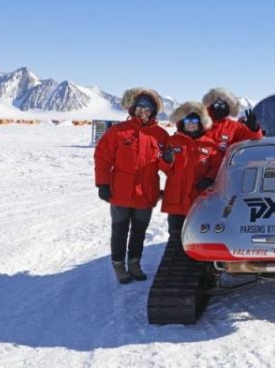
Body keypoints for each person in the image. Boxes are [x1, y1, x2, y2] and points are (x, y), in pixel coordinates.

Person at [94, 88, 168, 284]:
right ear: (133, 109)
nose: (144, 110)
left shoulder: (161, 135)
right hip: (120, 191)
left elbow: (168, 166)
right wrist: (102, 183)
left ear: (154, 111)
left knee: (139, 231)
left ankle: (134, 264)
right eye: (140, 106)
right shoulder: (118, 132)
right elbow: (102, 157)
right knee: (119, 230)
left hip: (146, 192)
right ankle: (119, 266)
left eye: (149, 107)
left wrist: (169, 161)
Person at [159, 101, 222, 243]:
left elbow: (217, 166)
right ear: (182, 121)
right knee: (175, 235)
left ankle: (197, 262)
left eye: (194, 120)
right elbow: (165, 168)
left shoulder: (210, 144)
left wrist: (209, 178)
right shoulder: (173, 140)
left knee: (197, 234)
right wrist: (166, 161)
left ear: (200, 122)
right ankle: (174, 259)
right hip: (176, 196)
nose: (191, 123)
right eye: (188, 120)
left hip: (198, 197)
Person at [202, 87, 263, 152]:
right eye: (219, 103)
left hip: (223, 162)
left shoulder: (233, 127)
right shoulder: (198, 120)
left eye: (226, 106)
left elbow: (256, 139)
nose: (221, 107)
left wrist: (254, 128)